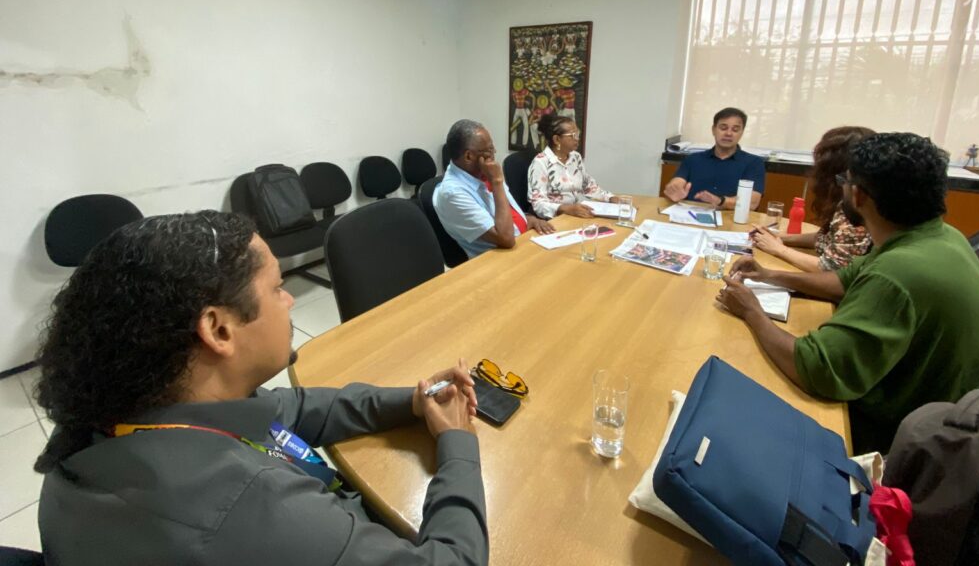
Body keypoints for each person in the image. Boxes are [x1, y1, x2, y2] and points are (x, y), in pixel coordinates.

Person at [34, 211, 487, 565]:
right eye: (277, 288)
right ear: (219, 330)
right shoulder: (253, 509)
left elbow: (290, 408)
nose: (289, 300)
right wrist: (457, 442)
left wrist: (412, 401)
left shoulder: (123, 408)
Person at [715, 132, 979, 453]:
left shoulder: (896, 274)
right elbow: (844, 280)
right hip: (953, 408)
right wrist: (770, 275)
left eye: (845, 181)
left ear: (860, 195)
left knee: (735, 402)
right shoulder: (938, 236)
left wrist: (751, 311)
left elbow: (818, 370)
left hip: (910, 432)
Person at [749, 126, 875, 272]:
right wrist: (781, 237)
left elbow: (833, 269)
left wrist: (779, 249)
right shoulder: (843, 194)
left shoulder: (856, 204)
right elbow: (827, 239)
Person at [435, 119, 554, 259]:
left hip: (523, 242)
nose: (494, 153)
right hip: (498, 260)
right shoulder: (452, 193)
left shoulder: (482, 173)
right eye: (489, 150)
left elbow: (505, 212)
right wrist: (497, 182)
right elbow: (506, 238)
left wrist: (528, 219)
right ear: (469, 156)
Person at [663, 107, 765, 210]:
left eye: (735, 129)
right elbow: (677, 182)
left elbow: (752, 203)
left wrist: (720, 201)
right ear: (713, 130)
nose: (728, 133)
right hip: (692, 214)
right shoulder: (693, 159)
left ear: (742, 133)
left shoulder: (754, 163)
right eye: (723, 128)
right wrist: (674, 189)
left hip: (730, 218)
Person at [527, 114, 620, 219]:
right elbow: (538, 204)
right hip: (552, 219)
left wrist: (610, 198)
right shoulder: (540, 163)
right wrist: (566, 209)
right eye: (572, 135)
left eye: (577, 134)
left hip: (575, 214)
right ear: (557, 139)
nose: (577, 139)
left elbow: (588, 186)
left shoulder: (575, 157)